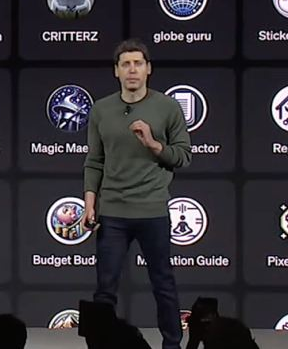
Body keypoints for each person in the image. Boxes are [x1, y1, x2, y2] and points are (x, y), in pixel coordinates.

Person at [84, 39, 192, 349]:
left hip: (152, 210)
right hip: (112, 212)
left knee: (163, 283)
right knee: (105, 289)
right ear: (116, 71)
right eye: (126, 64)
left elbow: (183, 156)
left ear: (148, 69)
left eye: (138, 64)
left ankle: (172, 345)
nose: (132, 70)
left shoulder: (168, 107)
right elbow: (94, 161)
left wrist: (153, 144)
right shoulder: (101, 109)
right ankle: (100, 345)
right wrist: (90, 204)